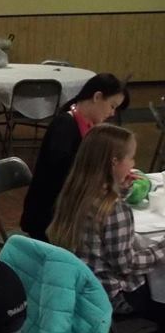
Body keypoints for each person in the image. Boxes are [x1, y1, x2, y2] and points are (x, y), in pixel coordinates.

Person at [47, 123, 165, 322]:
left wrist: (120, 190)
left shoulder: (75, 191)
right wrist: (161, 249)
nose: (134, 163)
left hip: (75, 285)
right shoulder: (115, 209)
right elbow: (127, 266)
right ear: (114, 162)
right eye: (131, 158)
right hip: (109, 296)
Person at [20, 73, 127, 242]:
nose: (112, 113)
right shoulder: (65, 125)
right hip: (49, 217)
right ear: (97, 97)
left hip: (66, 209)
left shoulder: (87, 126)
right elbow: (63, 172)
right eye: (112, 106)